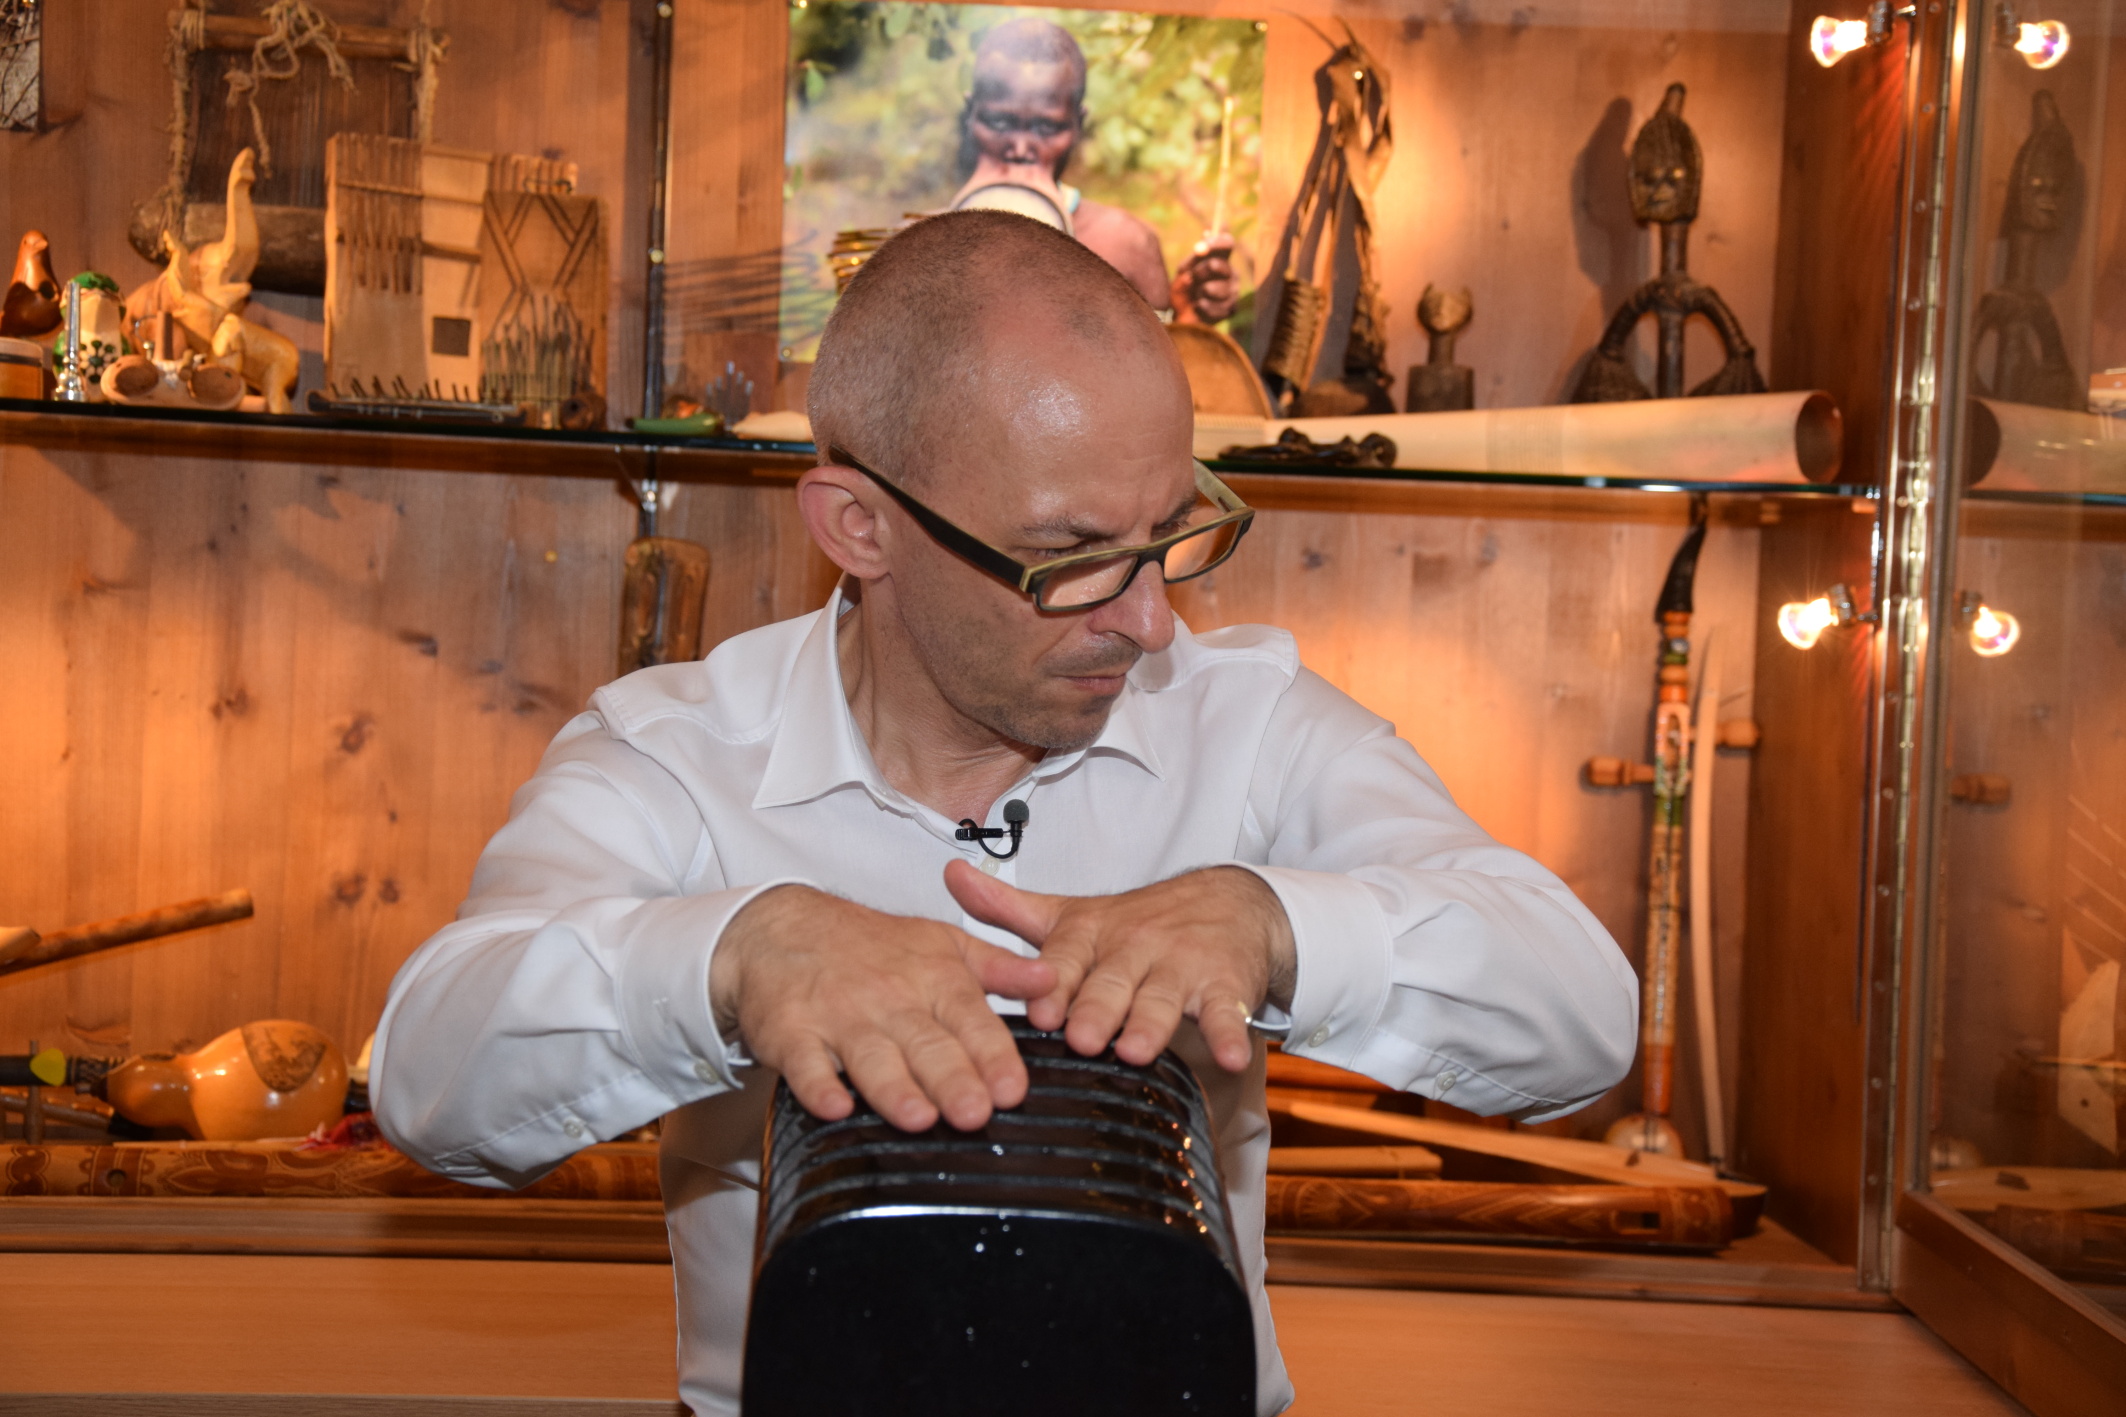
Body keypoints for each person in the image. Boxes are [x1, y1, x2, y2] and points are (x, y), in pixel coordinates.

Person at [373, 211, 1636, 1416]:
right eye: (1071, 557)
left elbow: (1579, 1014)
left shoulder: (1249, 724)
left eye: (1169, 534)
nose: (1148, 620)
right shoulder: (672, 755)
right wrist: (730, 958)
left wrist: (1273, 925)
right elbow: (431, 1081)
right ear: (859, 526)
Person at [953, 16, 1238, 325]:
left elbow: (1163, 356)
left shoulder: (1126, 245)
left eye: (1046, 128)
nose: (1020, 149)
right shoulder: (922, 243)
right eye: (999, 122)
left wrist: (1188, 318)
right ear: (970, 115)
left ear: (1078, 124)